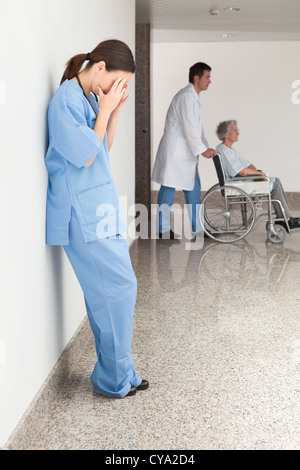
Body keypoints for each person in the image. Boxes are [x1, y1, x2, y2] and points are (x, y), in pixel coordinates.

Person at [45, 40, 148, 398]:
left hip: (98, 208)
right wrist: (104, 109)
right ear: (100, 67)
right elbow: (85, 157)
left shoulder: (88, 98)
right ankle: (113, 379)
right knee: (119, 290)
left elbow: (101, 148)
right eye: (115, 82)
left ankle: (121, 372)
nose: (114, 91)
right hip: (81, 213)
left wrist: (114, 110)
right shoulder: (65, 101)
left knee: (109, 294)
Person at [152, 62, 216, 239]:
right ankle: (163, 229)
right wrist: (202, 149)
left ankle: (198, 229)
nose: (210, 81)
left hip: (186, 153)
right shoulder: (186, 96)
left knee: (193, 188)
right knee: (169, 188)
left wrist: (205, 146)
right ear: (197, 78)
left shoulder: (194, 97)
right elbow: (189, 126)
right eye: (207, 77)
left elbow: (197, 129)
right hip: (176, 153)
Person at [215, 120, 300, 230]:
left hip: (243, 180)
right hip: (236, 184)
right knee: (274, 185)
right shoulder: (224, 151)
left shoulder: (231, 150)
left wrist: (257, 175)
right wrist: (259, 174)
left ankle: (284, 217)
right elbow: (242, 171)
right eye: (235, 131)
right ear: (226, 134)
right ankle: (286, 220)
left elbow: (248, 165)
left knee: (275, 181)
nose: (238, 133)